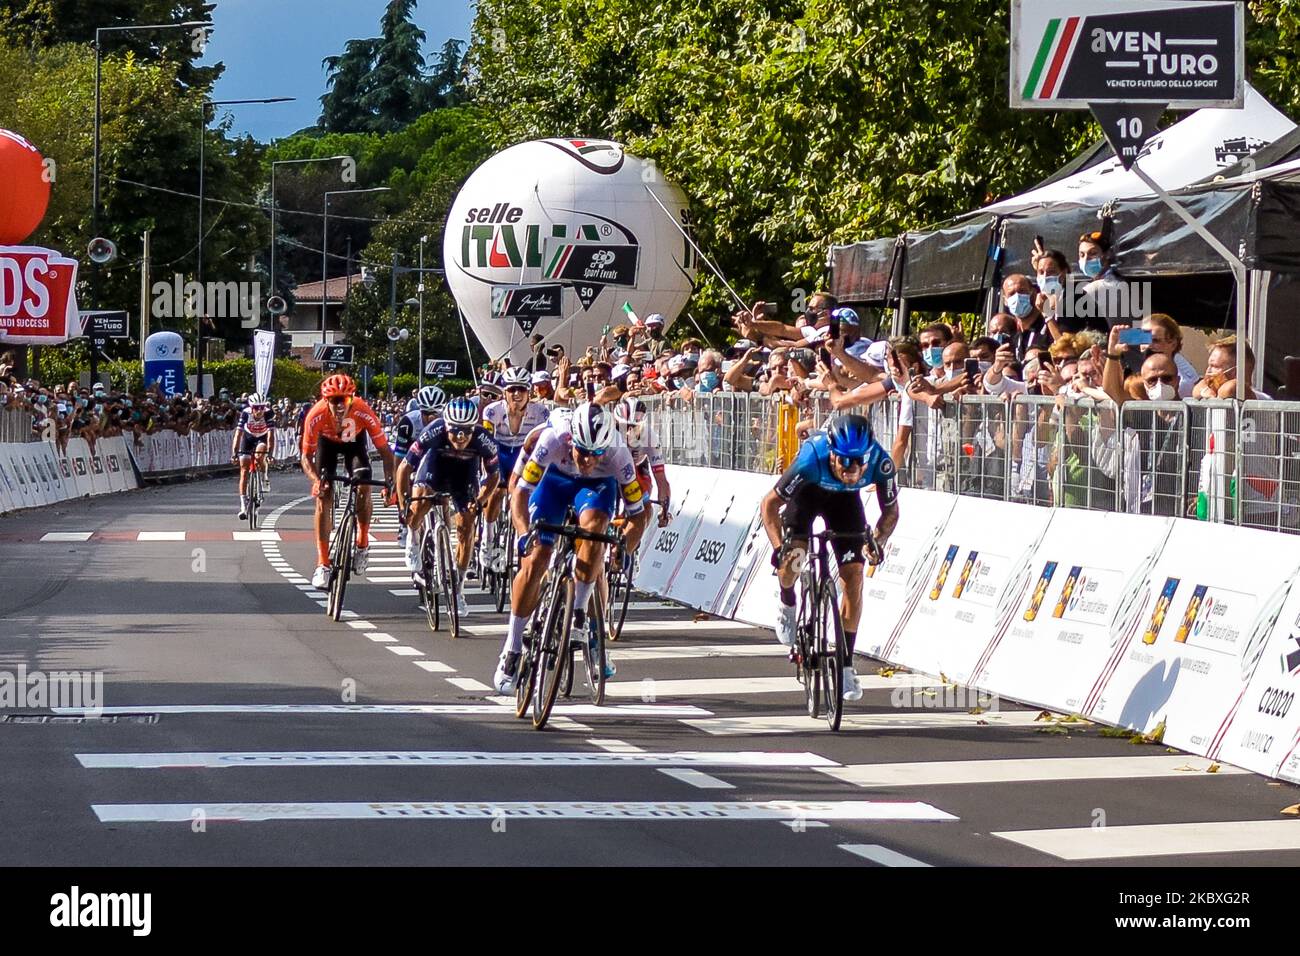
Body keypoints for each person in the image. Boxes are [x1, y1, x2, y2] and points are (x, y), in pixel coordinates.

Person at [492, 402, 647, 693]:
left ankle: (578, 612)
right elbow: (520, 493)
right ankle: (512, 648)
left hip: (597, 488)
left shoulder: (618, 454)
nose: (587, 460)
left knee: (595, 530)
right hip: (555, 482)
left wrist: (624, 547)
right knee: (537, 558)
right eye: (582, 452)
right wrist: (525, 533)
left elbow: (638, 514)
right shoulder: (552, 438)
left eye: (595, 454)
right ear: (571, 439)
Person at [760, 415, 899, 701]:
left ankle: (846, 665)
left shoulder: (880, 462)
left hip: (845, 503)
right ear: (832, 453)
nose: (853, 469)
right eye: (845, 461)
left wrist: (878, 539)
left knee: (854, 579)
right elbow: (770, 504)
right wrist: (778, 548)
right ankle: (787, 598)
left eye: (859, 461)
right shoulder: (812, 457)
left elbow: (891, 512)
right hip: (807, 494)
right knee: (795, 557)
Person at [396, 397, 500, 614]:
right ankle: (413, 540)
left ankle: (458, 590)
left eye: (466, 431)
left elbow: (493, 477)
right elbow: (404, 468)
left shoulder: (483, 438)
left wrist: (480, 502)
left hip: (464, 475)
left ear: (474, 428)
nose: (460, 437)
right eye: (454, 431)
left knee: (467, 526)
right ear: (446, 426)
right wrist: (404, 502)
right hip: (435, 468)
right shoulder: (434, 430)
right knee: (420, 501)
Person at [299, 375, 396, 589]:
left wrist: (391, 483)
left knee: (364, 485)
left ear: (352, 398)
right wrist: (316, 481)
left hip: (355, 445)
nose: (340, 405)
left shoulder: (362, 409)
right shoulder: (315, 414)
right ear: (326, 401)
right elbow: (305, 457)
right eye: (334, 400)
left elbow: (386, 452)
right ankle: (323, 563)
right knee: (324, 496)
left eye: (345, 399)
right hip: (328, 447)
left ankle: (362, 543)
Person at [481, 367, 550, 569]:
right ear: (504, 392)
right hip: (499, 450)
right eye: (512, 390)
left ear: (529, 392)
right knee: (497, 490)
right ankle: (488, 533)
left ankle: (521, 531)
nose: (517, 394)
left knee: (526, 492)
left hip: (524, 451)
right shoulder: (492, 411)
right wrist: (490, 472)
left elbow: (544, 443)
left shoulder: (541, 412)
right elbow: (486, 442)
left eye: (522, 389)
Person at [391, 385, 446, 547]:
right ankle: (403, 523)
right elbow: (399, 458)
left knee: (443, 494)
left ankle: (444, 541)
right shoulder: (408, 422)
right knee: (403, 481)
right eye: (426, 413)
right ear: (419, 410)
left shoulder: (447, 420)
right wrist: (397, 481)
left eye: (435, 413)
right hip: (412, 456)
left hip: (436, 456)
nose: (430, 417)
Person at [230, 393, 276, 517]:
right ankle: (243, 506)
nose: (259, 411)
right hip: (248, 437)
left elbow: (271, 436)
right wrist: (234, 453)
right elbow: (238, 434)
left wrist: (270, 454)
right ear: (251, 407)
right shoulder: (246, 413)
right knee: (244, 470)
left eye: (262, 407)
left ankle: (264, 476)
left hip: (262, 437)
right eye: (256, 407)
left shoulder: (268, 414)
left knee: (260, 456)